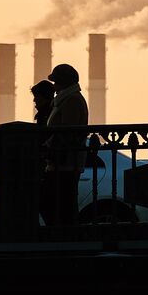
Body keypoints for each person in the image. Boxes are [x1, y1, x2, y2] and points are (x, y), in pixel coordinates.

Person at [43, 64, 89, 226]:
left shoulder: (71, 100)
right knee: (61, 201)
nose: (54, 86)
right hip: (62, 161)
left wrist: (49, 147)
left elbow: (68, 132)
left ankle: (64, 234)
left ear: (63, 82)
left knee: (61, 202)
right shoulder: (68, 99)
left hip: (65, 161)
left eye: (56, 82)